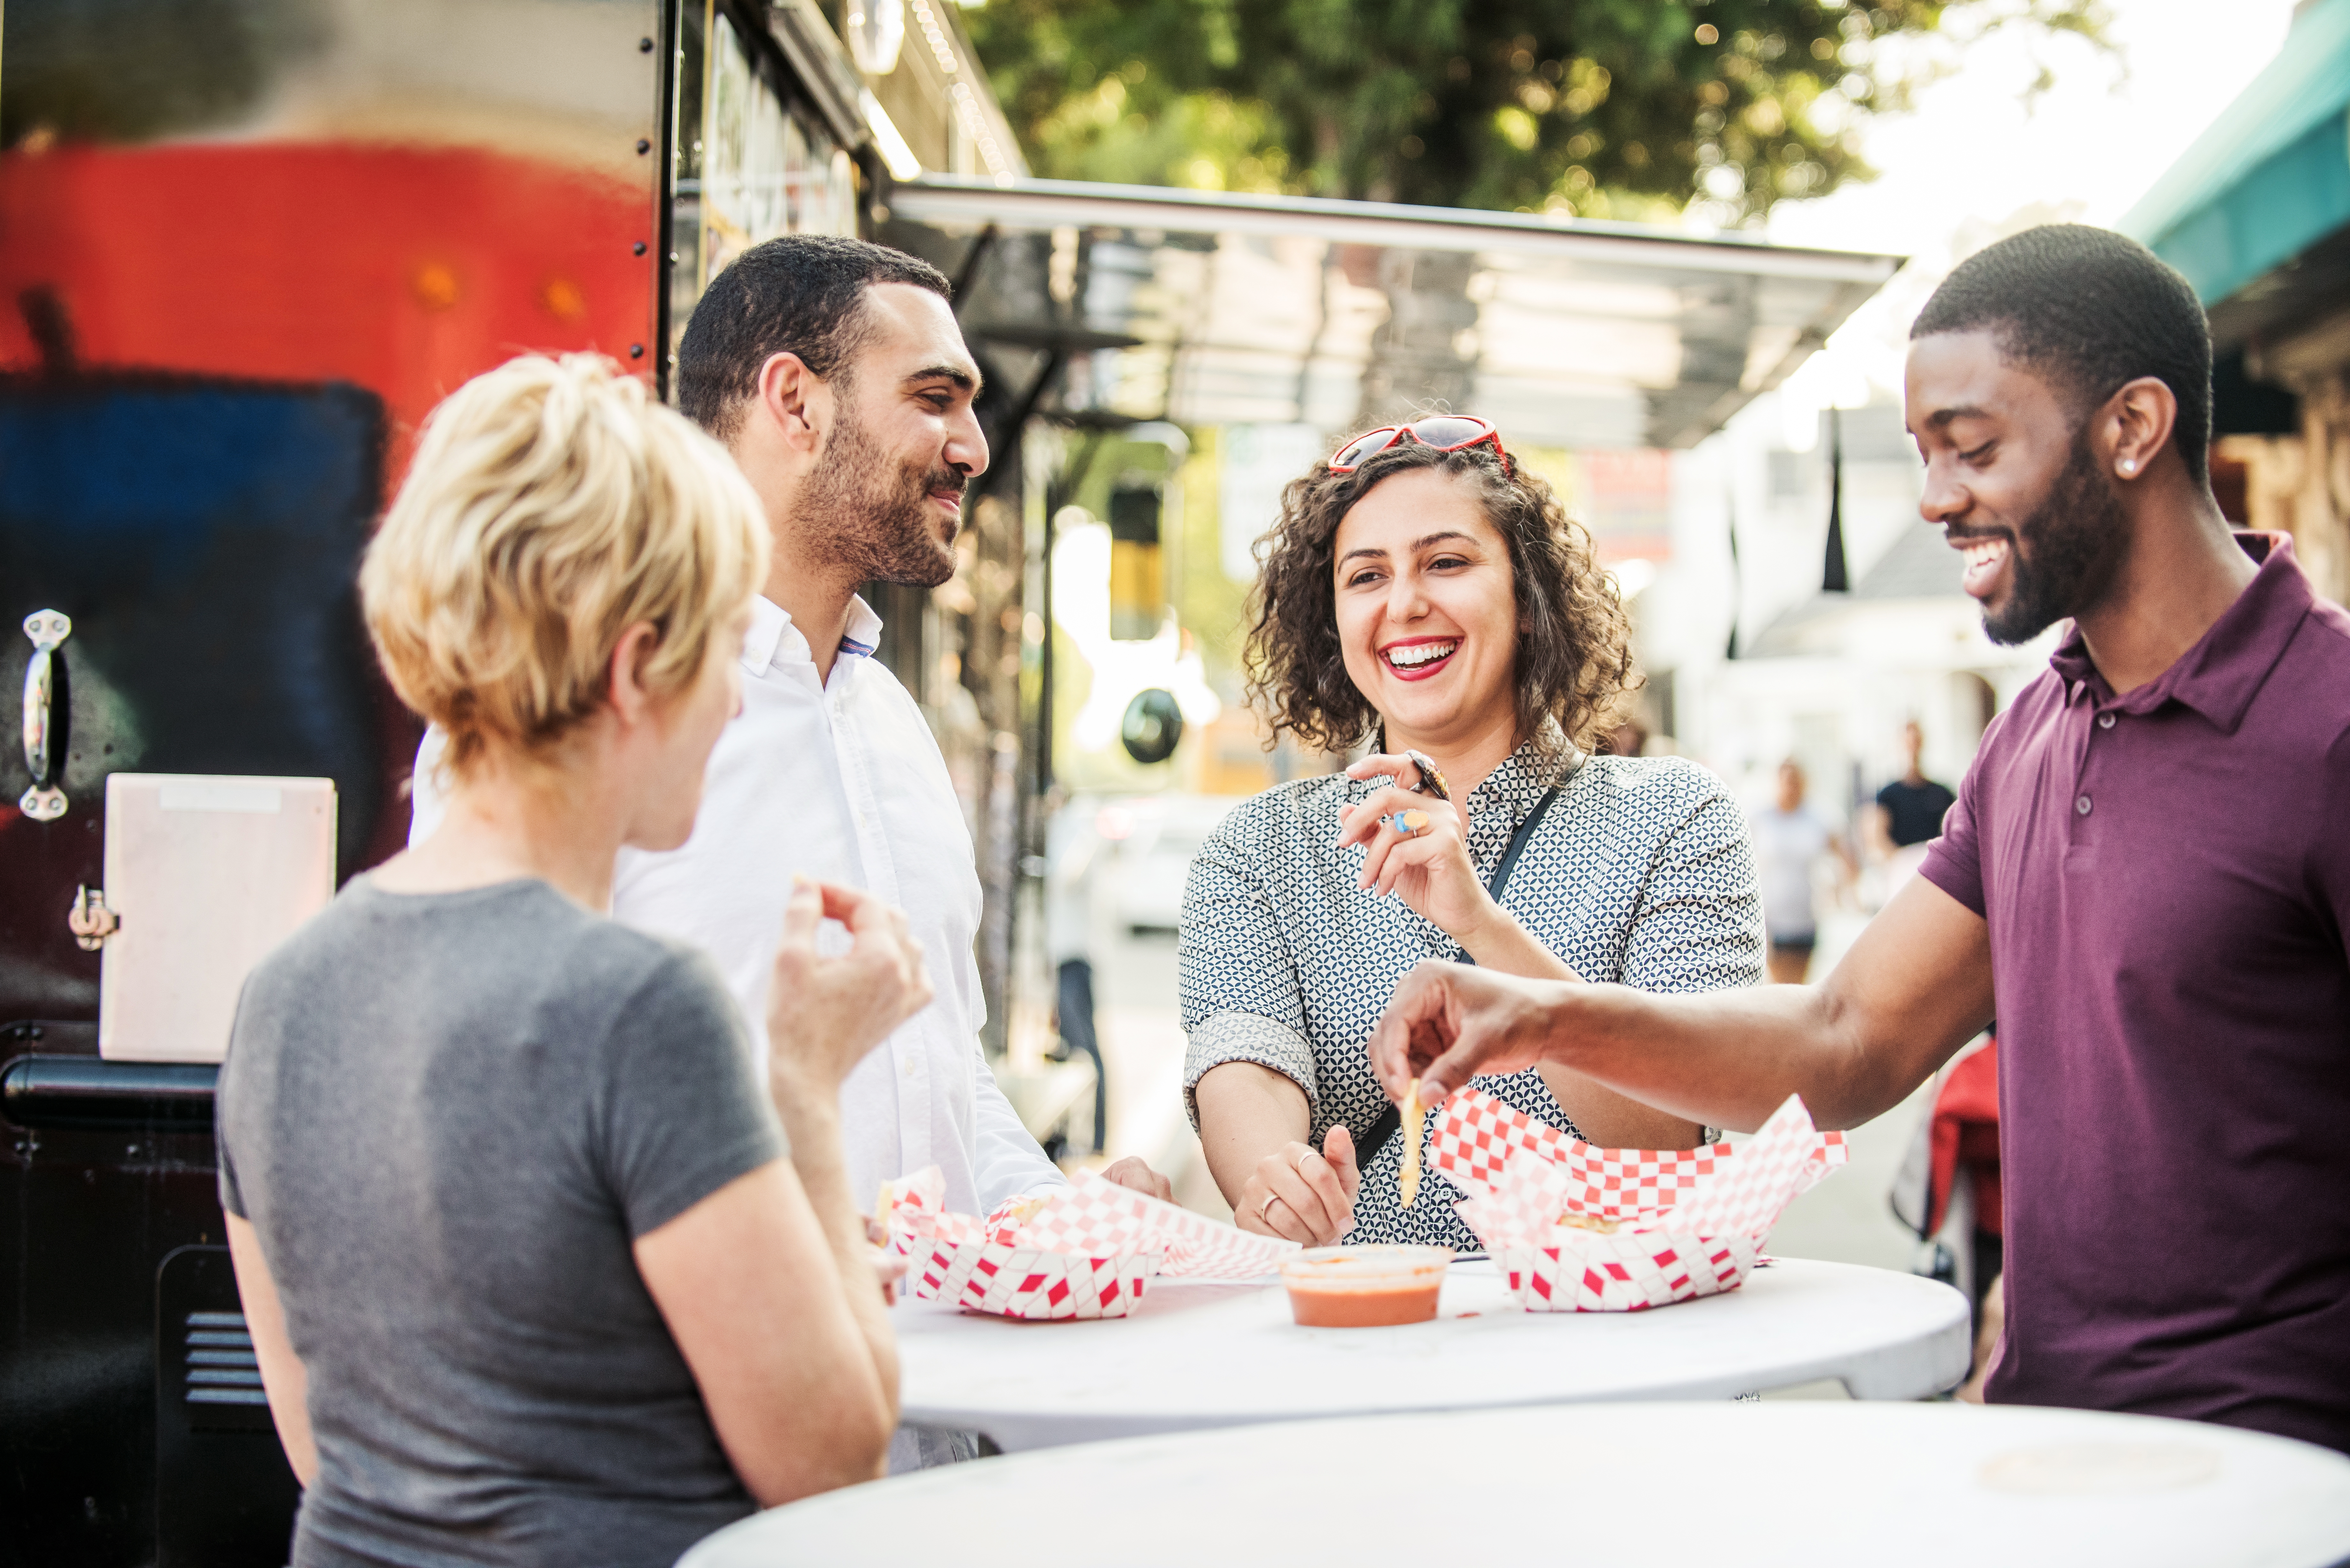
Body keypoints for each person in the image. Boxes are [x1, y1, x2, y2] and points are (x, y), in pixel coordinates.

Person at [1367, 225, 2350, 1453]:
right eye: (1924, 455)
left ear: (2133, 428)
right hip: (2051, 1454)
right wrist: (1540, 1015)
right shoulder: (2036, 729)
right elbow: (1848, 1036)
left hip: (2285, 1483)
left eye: (1974, 449)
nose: (1936, 500)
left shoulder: (2330, 727)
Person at [220, 355, 928, 1566]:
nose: (729, 707)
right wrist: (805, 1083)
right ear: (632, 668)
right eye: (717, 649)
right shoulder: (639, 1009)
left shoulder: (283, 992)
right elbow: (830, 1457)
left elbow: (322, 1442)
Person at [407, 237, 1168, 1231]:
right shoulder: (579, 714)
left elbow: (939, 1075)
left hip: (914, 1371)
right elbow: (483, 1093)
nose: (974, 446)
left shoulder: (892, 724)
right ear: (794, 403)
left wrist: (1050, 1208)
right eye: (934, 398)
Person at [1182, 416, 1765, 1250]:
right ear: (1331, 621)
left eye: (1447, 563)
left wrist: (1480, 926)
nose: (1405, 604)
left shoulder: (1676, 816)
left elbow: (1675, 1133)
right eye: (1366, 576)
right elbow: (1245, 1058)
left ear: (1529, 600)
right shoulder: (1262, 850)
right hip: (1374, 1347)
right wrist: (1277, 1178)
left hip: (1620, 1357)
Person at [1747, 758, 1853, 983]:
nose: (1791, 787)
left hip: (1805, 916)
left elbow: (1846, 858)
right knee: (1777, 988)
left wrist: (1843, 891)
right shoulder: (1760, 818)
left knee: (1798, 987)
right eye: (1786, 781)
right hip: (1770, 918)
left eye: (1796, 781)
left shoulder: (1818, 818)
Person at [1866, 720, 1957, 875]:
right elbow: (1876, 841)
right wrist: (1904, 863)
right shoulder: (1887, 796)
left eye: (1915, 742)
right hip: (1902, 876)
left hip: (1936, 873)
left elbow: (1956, 836)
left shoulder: (1943, 794)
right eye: (1907, 743)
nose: (1912, 749)